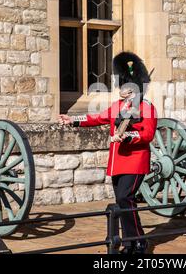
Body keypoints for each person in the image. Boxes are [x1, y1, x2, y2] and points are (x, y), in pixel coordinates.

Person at [59, 52, 157, 254]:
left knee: (124, 198)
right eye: (122, 85)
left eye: (127, 85)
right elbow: (96, 118)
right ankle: (130, 243)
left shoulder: (146, 107)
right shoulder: (117, 107)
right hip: (119, 162)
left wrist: (128, 136)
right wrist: (72, 120)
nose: (123, 89)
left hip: (136, 161)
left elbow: (147, 134)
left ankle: (139, 241)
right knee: (123, 202)